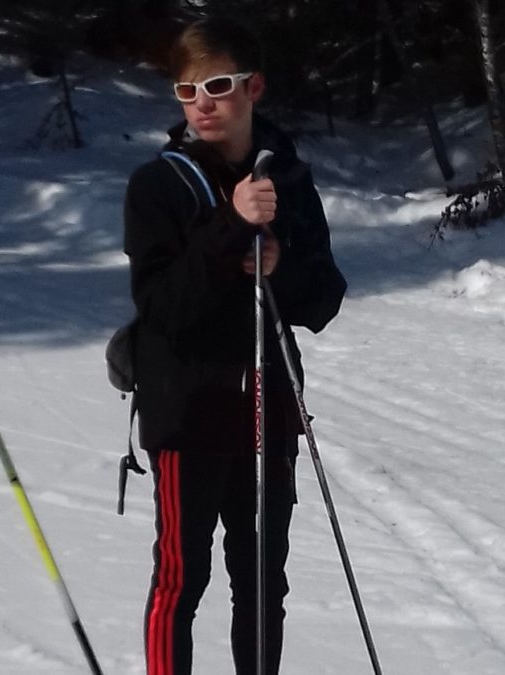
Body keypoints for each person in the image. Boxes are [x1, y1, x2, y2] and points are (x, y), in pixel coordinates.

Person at [122, 17, 347, 675]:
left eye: (217, 85)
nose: (202, 104)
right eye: (186, 91)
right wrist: (229, 228)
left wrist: (281, 266)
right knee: (180, 580)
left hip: (267, 406)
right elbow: (162, 310)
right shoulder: (159, 184)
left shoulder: (290, 178)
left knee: (259, 581)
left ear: (254, 87)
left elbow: (324, 299)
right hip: (187, 410)